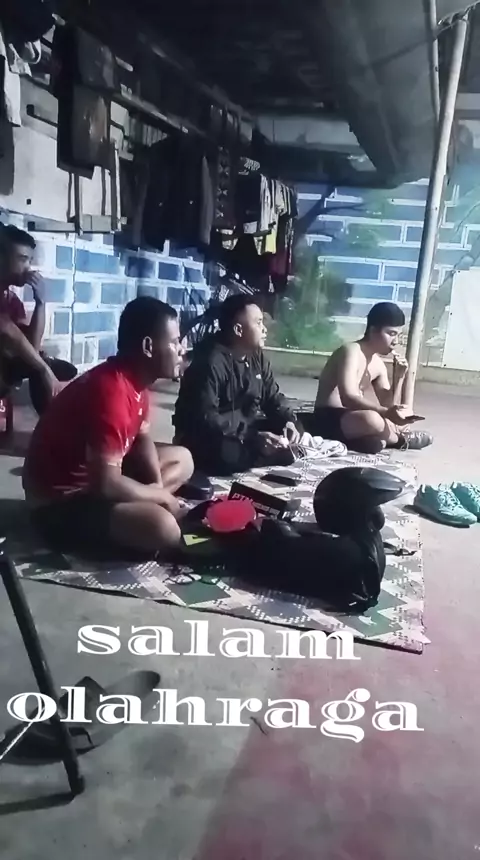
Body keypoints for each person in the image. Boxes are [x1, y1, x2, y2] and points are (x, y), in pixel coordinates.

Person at [23, 297, 194, 556]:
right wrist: (163, 498)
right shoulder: (110, 391)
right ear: (148, 347)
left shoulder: (137, 381)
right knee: (164, 528)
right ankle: (135, 516)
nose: (182, 349)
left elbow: (142, 440)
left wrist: (156, 487)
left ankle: (140, 506)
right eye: (174, 341)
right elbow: (105, 484)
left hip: (97, 479)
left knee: (183, 458)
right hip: (59, 502)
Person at [173, 294, 302, 475]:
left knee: (293, 426)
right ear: (238, 330)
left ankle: (266, 454)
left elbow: (272, 397)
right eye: (258, 323)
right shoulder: (211, 361)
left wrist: (288, 421)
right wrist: (252, 437)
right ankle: (262, 456)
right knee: (228, 452)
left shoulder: (257, 357)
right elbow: (205, 417)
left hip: (244, 432)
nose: (264, 329)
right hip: (209, 436)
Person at [303, 302, 433, 453]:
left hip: (352, 419)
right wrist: (385, 413)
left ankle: (368, 442)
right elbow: (348, 398)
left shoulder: (378, 364)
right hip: (329, 417)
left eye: (399, 335)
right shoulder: (351, 351)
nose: (396, 341)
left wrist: (398, 378)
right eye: (391, 334)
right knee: (373, 419)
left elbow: (388, 404)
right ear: (373, 330)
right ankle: (400, 441)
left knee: (401, 418)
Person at [0, 224, 77, 413]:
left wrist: (41, 302)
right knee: (41, 366)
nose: (28, 267)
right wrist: (44, 369)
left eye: (30, 260)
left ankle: (51, 421)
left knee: (54, 366)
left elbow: (31, 345)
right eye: (22, 259)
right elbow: (7, 329)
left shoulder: (12, 300)